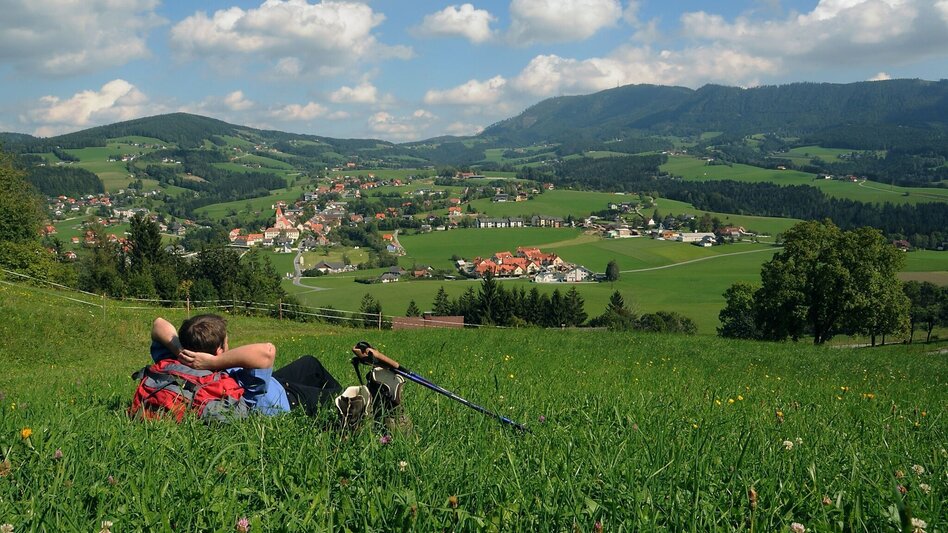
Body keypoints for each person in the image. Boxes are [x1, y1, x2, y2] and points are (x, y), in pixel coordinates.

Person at [149, 314, 404, 428]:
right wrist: (213, 363)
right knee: (337, 403)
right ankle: (373, 411)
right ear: (218, 351)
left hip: (274, 383)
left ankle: (350, 405)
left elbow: (158, 324)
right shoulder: (227, 374)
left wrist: (182, 351)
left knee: (310, 363)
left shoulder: (182, 362)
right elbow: (267, 351)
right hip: (286, 401)